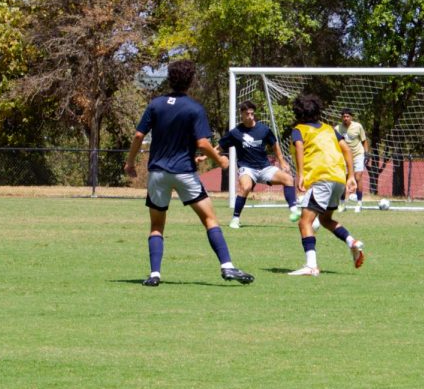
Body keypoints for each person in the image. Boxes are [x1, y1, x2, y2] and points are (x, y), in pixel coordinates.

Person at [124, 60, 254, 287]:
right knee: (210, 219)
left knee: (156, 226)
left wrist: (130, 162)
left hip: (158, 173)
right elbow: (203, 144)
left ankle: (155, 274)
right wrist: (220, 159)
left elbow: (137, 136)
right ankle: (227, 267)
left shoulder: (155, 104)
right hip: (184, 172)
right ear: (191, 81)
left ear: (169, 79)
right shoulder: (194, 108)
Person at [287, 93, 365, 277]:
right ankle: (351, 242)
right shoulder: (330, 129)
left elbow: (299, 147)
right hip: (338, 179)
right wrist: (351, 176)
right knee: (325, 220)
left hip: (321, 178)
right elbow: (346, 149)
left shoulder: (299, 129)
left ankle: (311, 266)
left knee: (304, 222)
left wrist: (300, 175)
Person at [217, 100, 298, 229]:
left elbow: (275, 146)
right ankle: (235, 219)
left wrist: (282, 162)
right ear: (241, 115)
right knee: (246, 187)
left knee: (288, 179)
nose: (250, 116)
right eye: (247, 114)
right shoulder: (235, 133)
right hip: (247, 168)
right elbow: (219, 148)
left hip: (265, 168)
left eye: (252, 113)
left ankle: (294, 211)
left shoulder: (264, 130)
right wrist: (205, 156)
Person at [336, 109, 370, 212]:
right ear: (342, 118)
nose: (345, 118)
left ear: (351, 117)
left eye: (347, 116)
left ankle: (359, 203)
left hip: (358, 154)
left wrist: (366, 153)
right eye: (344, 116)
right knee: (343, 179)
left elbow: (364, 141)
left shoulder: (358, 126)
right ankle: (342, 204)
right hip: (345, 156)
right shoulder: (337, 128)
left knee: (358, 177)